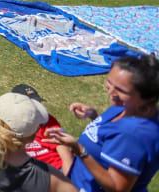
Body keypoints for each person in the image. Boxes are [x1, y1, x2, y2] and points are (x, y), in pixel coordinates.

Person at [45, 55, 159, 192]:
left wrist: (79, 149)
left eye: (121, 90)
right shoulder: (128, 108)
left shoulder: (133, 134)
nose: (111, 92)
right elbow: (111, 136)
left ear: (147, 98)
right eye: (110, 83)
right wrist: (93, 115)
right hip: (77, 181)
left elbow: (117, 188)